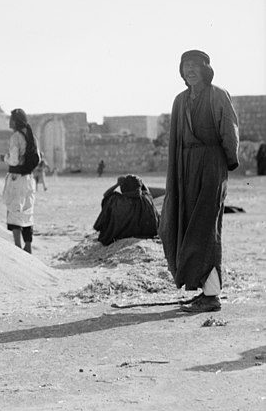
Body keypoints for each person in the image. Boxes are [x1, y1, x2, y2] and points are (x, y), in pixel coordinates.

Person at [159, 50, 239, 313]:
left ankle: (212, 296)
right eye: (186, 66)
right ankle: (204, 290)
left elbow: (229, 131)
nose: (190, 70)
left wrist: (223, 166)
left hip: (211, 166)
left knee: (205, 229)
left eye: (195, 66)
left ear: (205, 69)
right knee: (188, 226)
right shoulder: (180, 101)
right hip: (185, 169)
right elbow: (175, 140)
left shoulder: (218, 95)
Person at [2, 108, 40, 253]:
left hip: (16, 178)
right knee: (27, 212)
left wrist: (5, 158)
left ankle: (18, 247)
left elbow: (14, 160)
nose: (9, 122)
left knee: (14, 210)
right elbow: (38, 158)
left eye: (10, 119)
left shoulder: (16, 137)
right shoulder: (33, 137)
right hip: (29, 179)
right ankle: (28, 244)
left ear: (16, 121)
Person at [92, 174, 159, 246]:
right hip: (144, 233)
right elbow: (146, 190)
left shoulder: (116, 200)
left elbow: (106, 195)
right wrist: (140, 182)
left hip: (122, 234)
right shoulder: (146, 199)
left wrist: (117, 184)